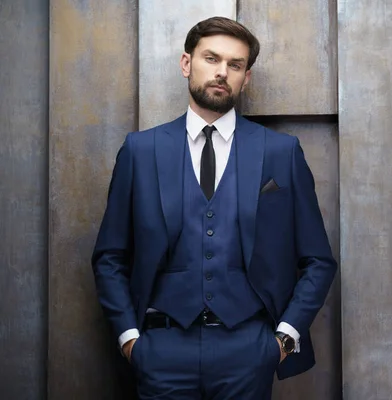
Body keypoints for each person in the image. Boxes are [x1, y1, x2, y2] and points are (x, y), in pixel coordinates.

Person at [91, 16, 337, 400]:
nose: (222, 72)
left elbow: (318, 260)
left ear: (246, 77)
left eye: (235, 65)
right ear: (186, 63)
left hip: (249, 349)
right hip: (161, 350)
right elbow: (110, 256)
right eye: (211, 58)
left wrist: (283, 338)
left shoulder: (280, 152)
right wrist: (130, 340)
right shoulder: (140, 151)